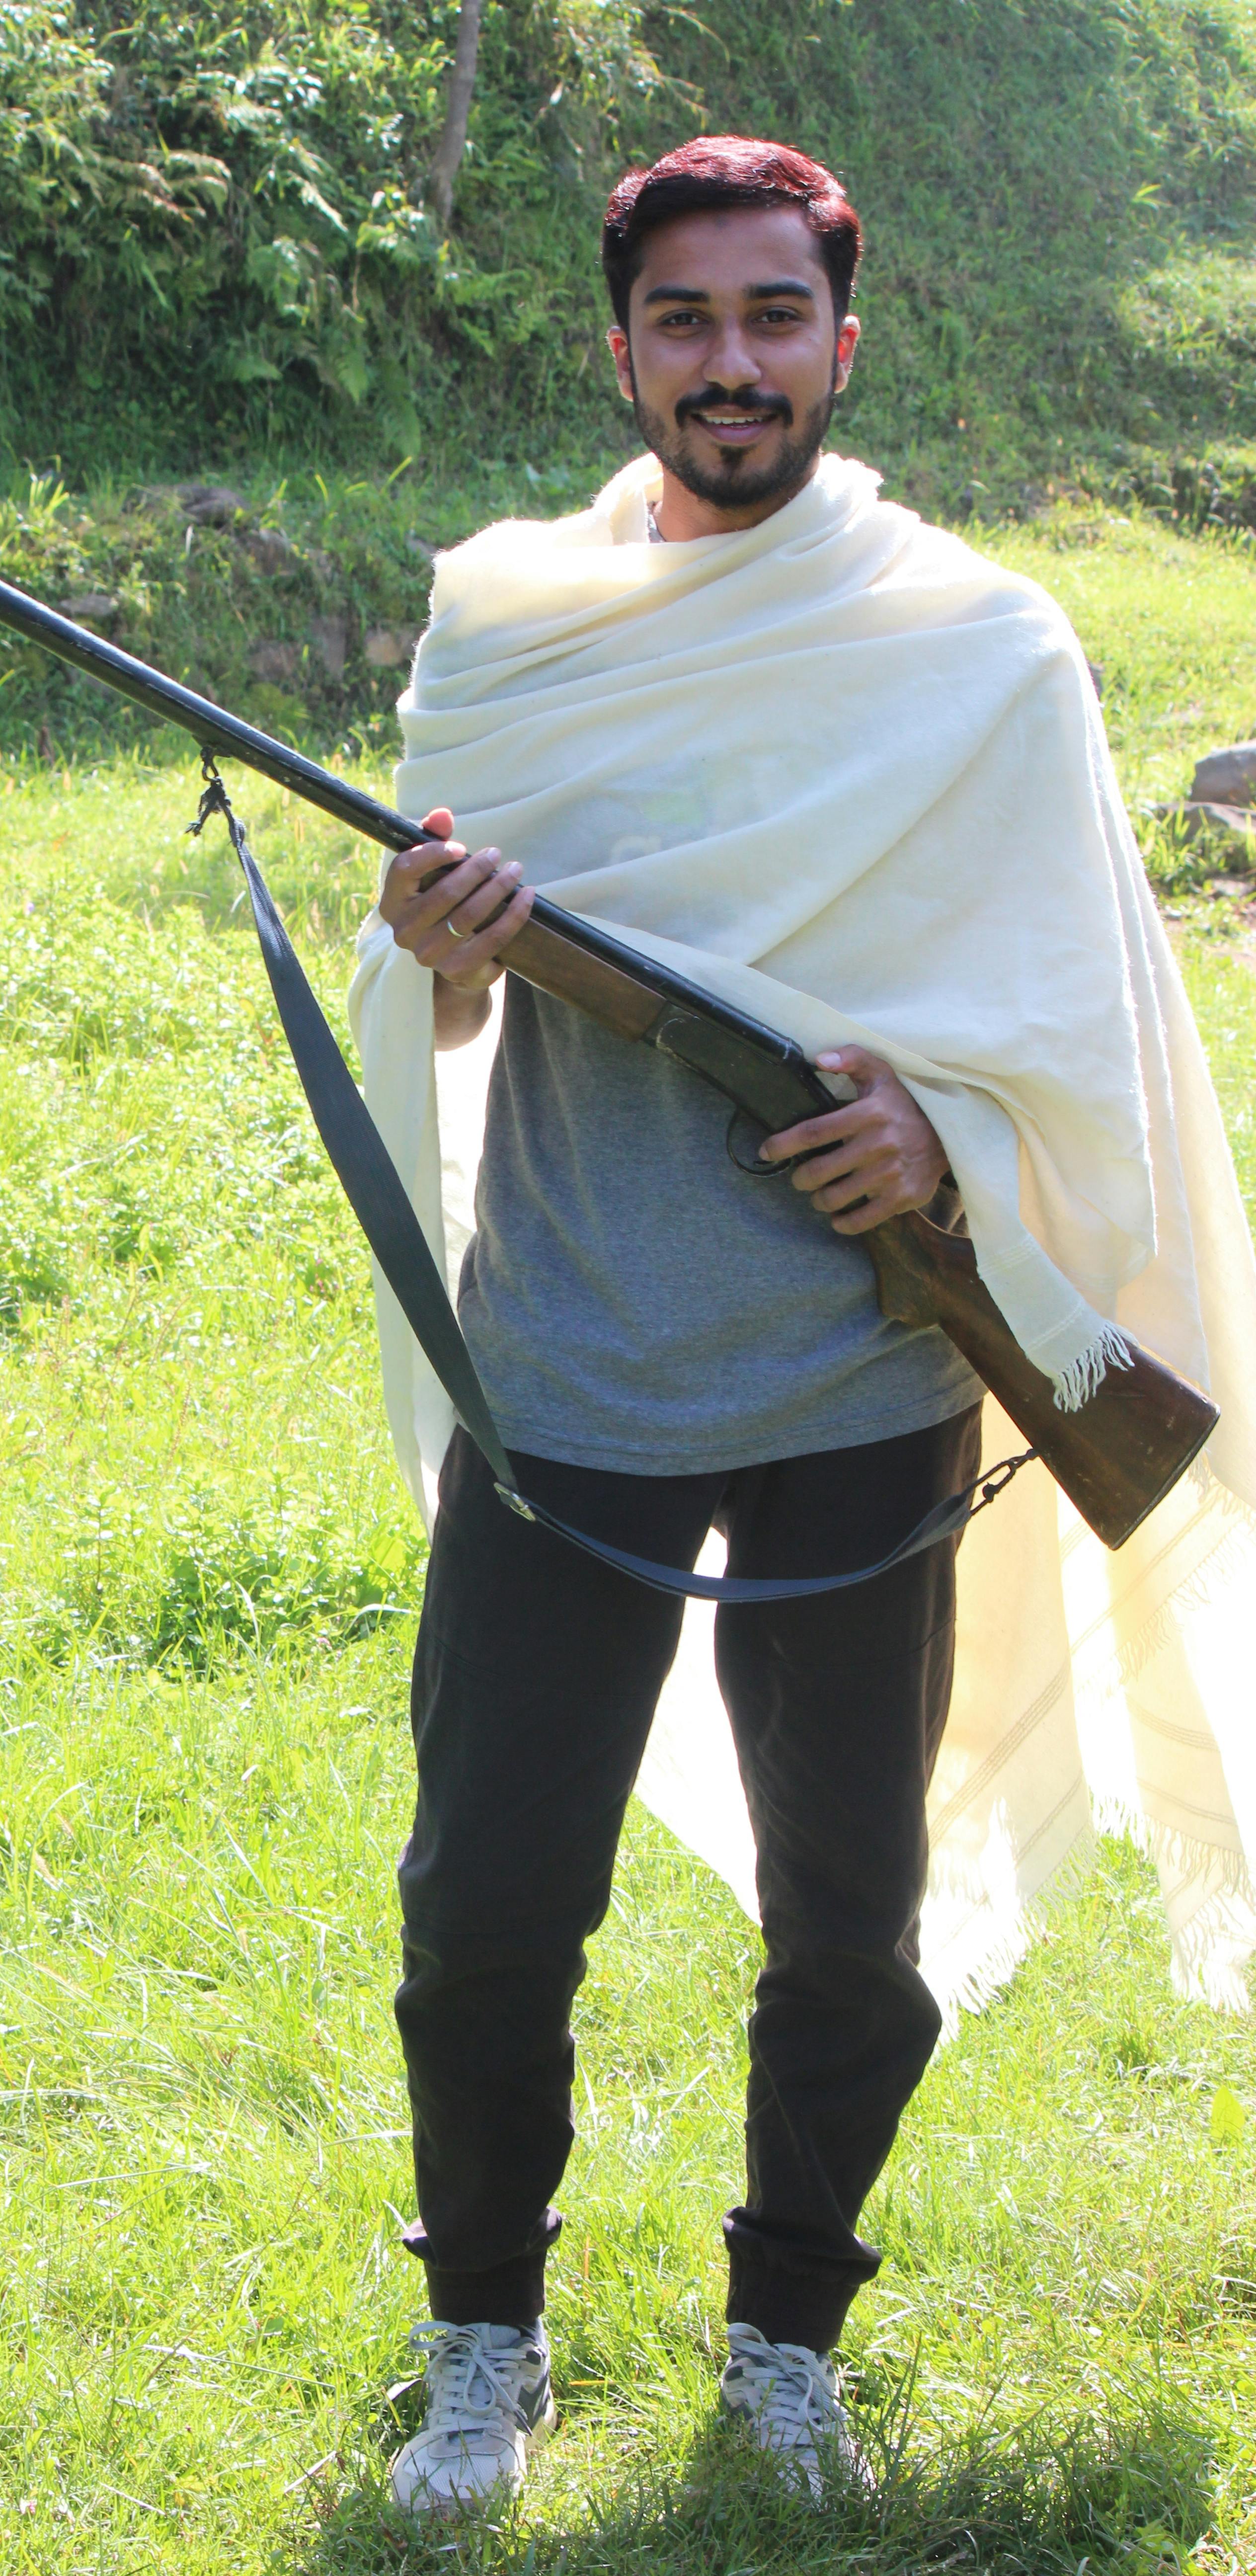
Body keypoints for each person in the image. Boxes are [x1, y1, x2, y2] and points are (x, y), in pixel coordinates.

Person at [346, 133, 1234, 2517]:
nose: (727, 365)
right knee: (486, 1900)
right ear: (619, 345)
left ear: (845, 339)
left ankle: (785, 2338)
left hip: (862, 1387)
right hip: (569, 1381)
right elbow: (426, 1007)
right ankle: (478, 2343)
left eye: (771, 319)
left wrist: (941, 1152)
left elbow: (1080, 1036)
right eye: (682, 322)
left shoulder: (982, 650)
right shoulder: (514, 625)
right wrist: (447, 957)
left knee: (857, 1912)